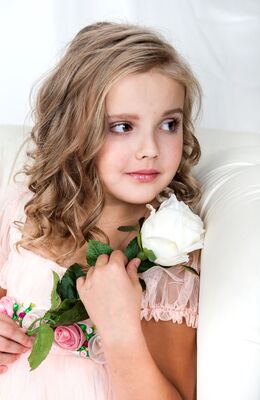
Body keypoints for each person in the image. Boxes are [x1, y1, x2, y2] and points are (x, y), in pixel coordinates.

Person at [0, 21, 202, 400]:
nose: (151, 149)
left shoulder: (172, 259)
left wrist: (119, 329)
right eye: (123, 126)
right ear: (74, 128)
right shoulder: (22, 213)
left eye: (169, 124)